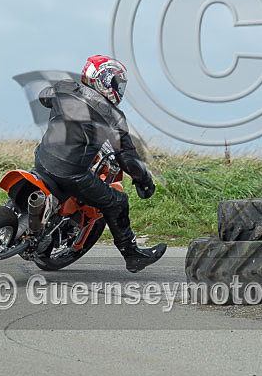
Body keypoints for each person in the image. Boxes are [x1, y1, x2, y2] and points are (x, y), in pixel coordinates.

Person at [33, 55, 166, 273]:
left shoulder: (65, 87)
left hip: (42, 159)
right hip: (72, 174)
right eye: (116, 83)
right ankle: (133, 255)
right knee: (118, 202)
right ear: (103, 80)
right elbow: (128, 158)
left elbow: (44, 96)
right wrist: (144, 180)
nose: (119, 90)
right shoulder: (113, 116)